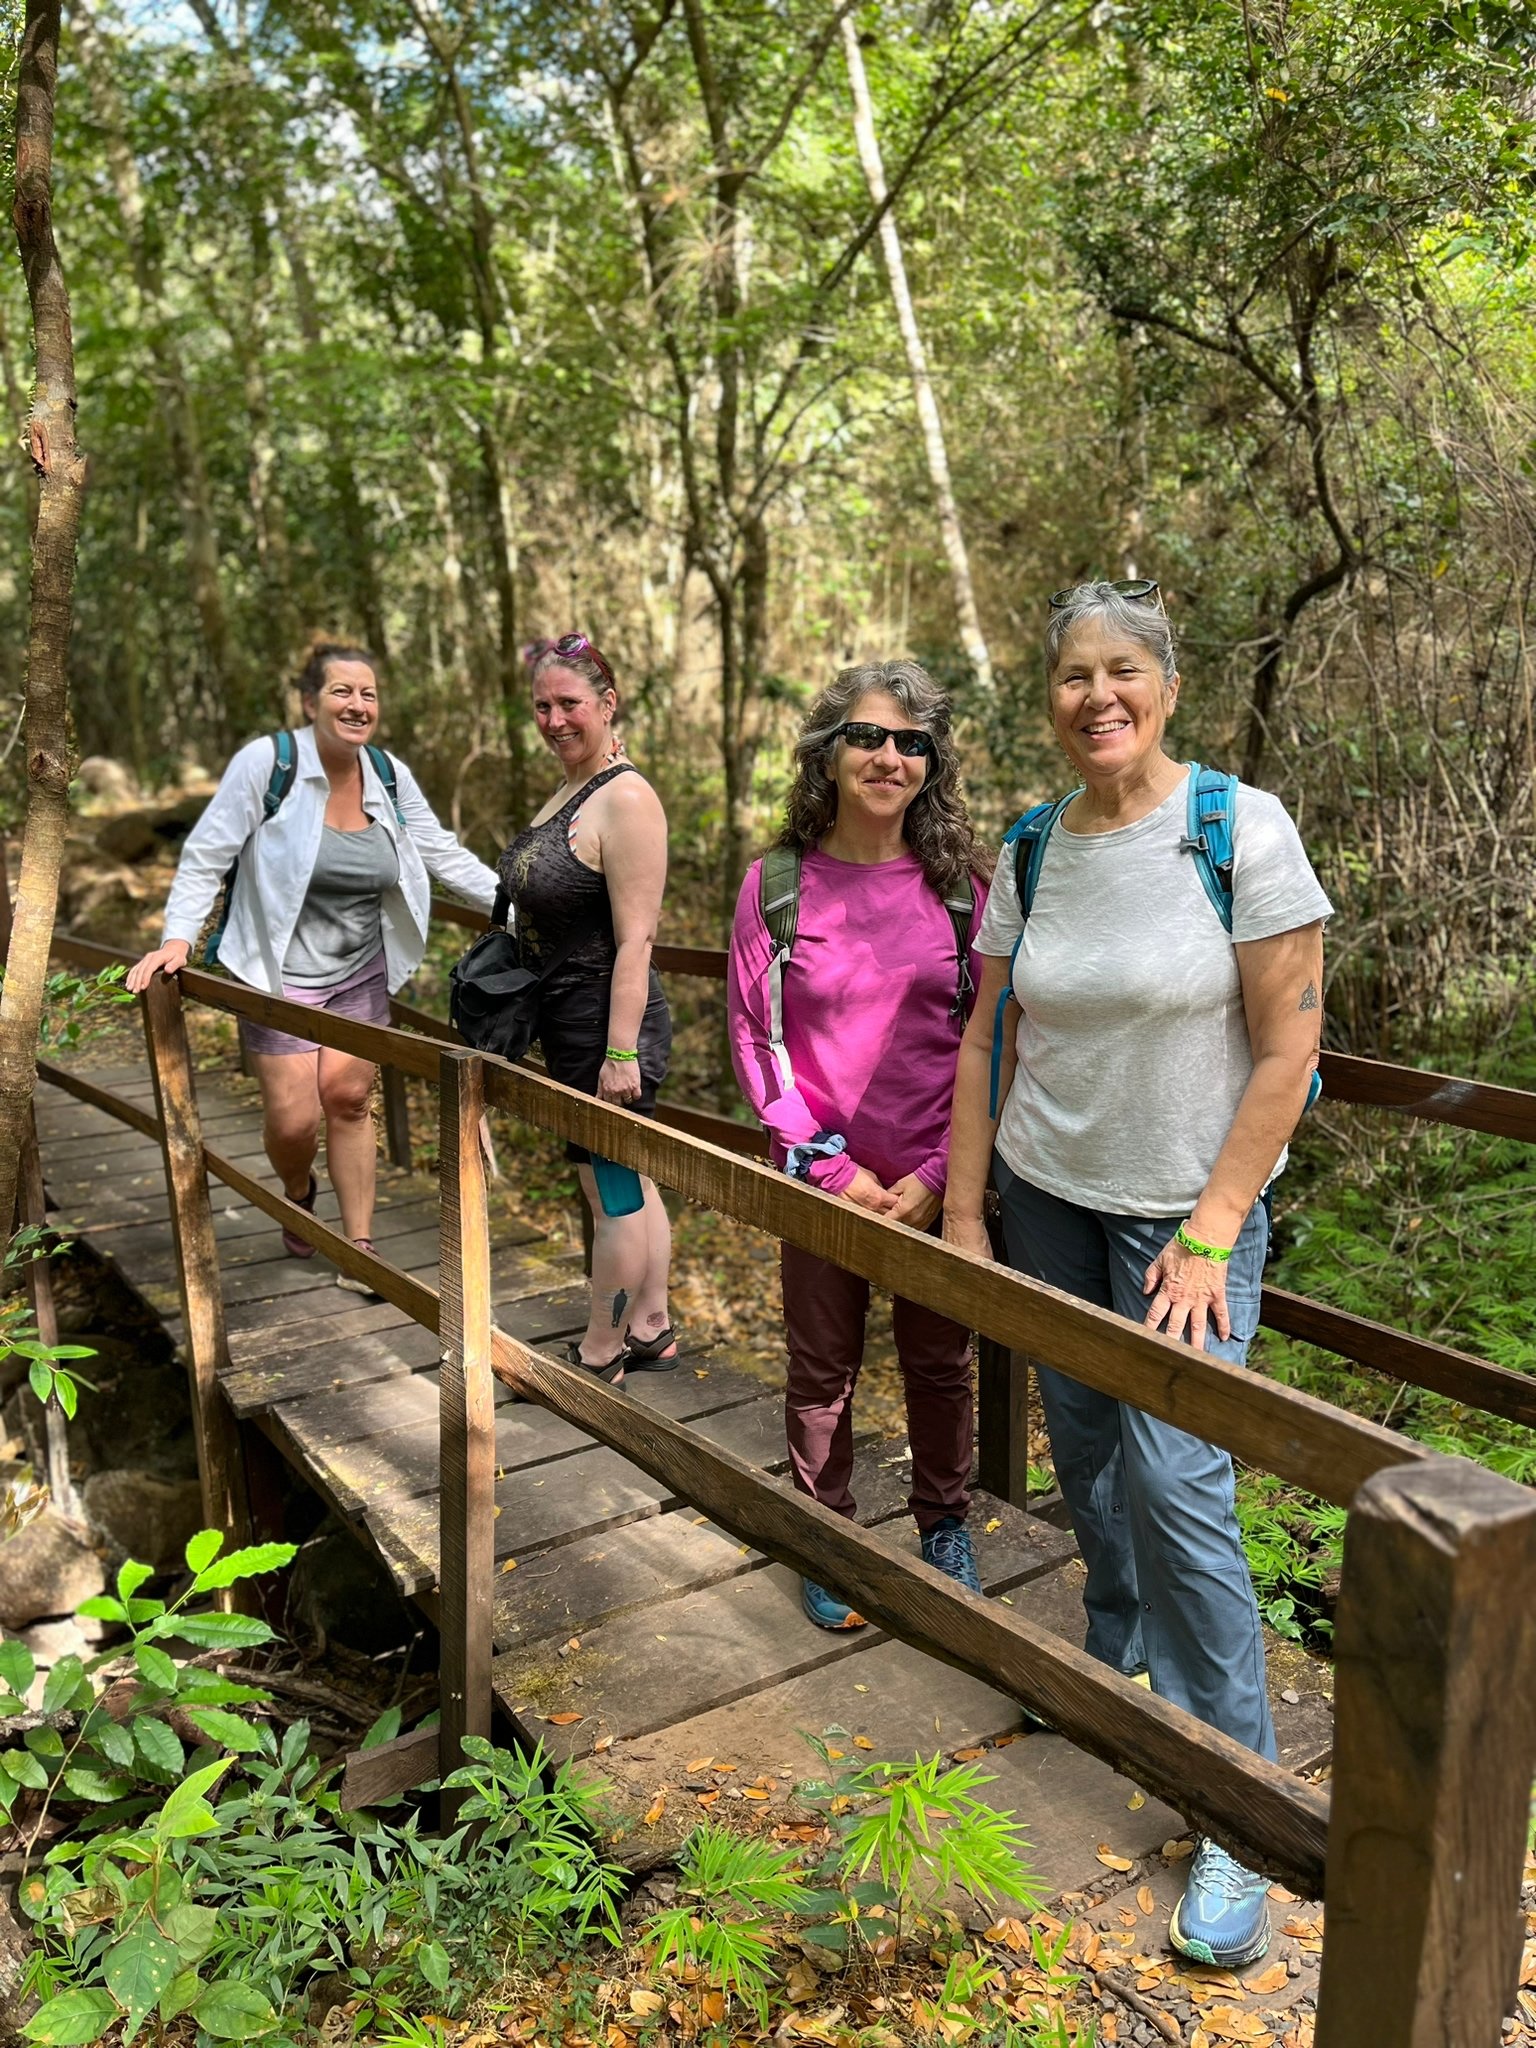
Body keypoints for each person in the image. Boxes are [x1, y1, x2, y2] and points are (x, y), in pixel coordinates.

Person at [943, 580, 1331, 1969]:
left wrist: (1219, 1225)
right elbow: (992, 1030)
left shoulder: (1238, 827)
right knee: (1090, 1451)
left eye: (1123, 672)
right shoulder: (1033, 846)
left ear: (1165, 687)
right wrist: (971, 1212)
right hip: (1047, 1199)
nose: (1096, 696)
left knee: (1181, 1483)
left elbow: (1289, 1046)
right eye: (1070, 677)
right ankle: (1115, 1652)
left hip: (1187, 1220)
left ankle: (1241, 1802)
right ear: (1046, 700)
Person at [728, 660, 992, 1631]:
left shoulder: (964, 889)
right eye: (869, 736)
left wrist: (933, 1176)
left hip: (934, 1174)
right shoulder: (780, 885)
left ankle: (944, 1524)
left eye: (911, 741)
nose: (889, 756)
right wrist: (832, 1170)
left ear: (931, 762)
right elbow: (760, 1045)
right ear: (829, 752)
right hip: (820, 1175)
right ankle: (824, 1526)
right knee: (822, 1362)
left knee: (939, 1362)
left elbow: (991, 1036)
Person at [126, 641, 500, 1284]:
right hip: (276, 973)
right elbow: (208, 853)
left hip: (360, 968)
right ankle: (298, 1194)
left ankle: (360, 1249)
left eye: (369, 694)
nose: (358, 705)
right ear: (309, 702)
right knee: (295, 1121)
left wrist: (519, 906)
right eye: (342, 691)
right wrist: (178, 938)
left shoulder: (386, 772)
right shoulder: (268, 765)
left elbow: (441, 852)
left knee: (350, 1100)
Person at [497, 633, 674, 1383]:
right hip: (572, 1021)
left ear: (607, 704)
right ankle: (654, 1323)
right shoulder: (575, 787)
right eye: (542, 705)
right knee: (630, 1180)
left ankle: (602, 1348)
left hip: (608, 1026)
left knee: (613, 1197)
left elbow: (637, 941)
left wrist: (622, 1053)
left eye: (569, 703)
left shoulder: (626, 798)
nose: (554, 718)